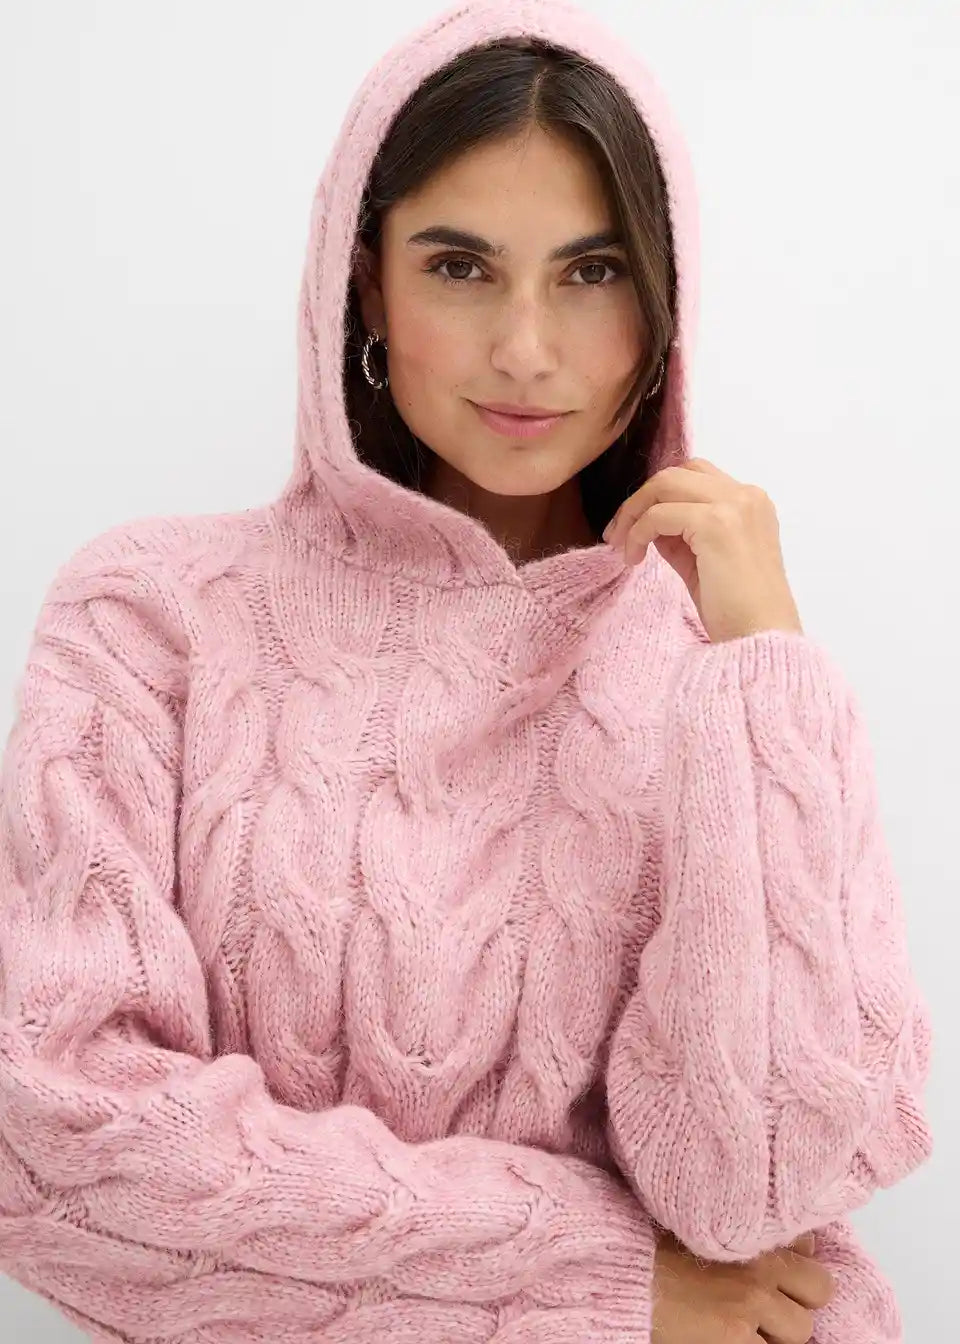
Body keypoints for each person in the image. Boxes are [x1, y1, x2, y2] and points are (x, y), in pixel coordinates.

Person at [0, 0, 933, 1340]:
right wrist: (590, 1281)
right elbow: (56, 1151)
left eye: (592, 272)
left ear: (665, 301)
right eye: (459, 266)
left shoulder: (722, 679)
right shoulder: (151, 618)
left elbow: (759, 1194)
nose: (527, 350)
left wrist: (768, 671)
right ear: (366, 282)